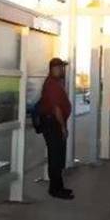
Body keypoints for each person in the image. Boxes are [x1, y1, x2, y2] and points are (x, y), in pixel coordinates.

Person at [39, 57, 74, 199]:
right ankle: (55, 189)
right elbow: (56, 108)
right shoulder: (52, 84)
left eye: (62, 67)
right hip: (53, 124)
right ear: (53, 69)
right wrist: (62, 127)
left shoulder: (55, 83)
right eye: (59, 67)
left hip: (54, 123)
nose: (62, 70)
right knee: (55, 157)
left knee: (58, 156)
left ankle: (59, 186)